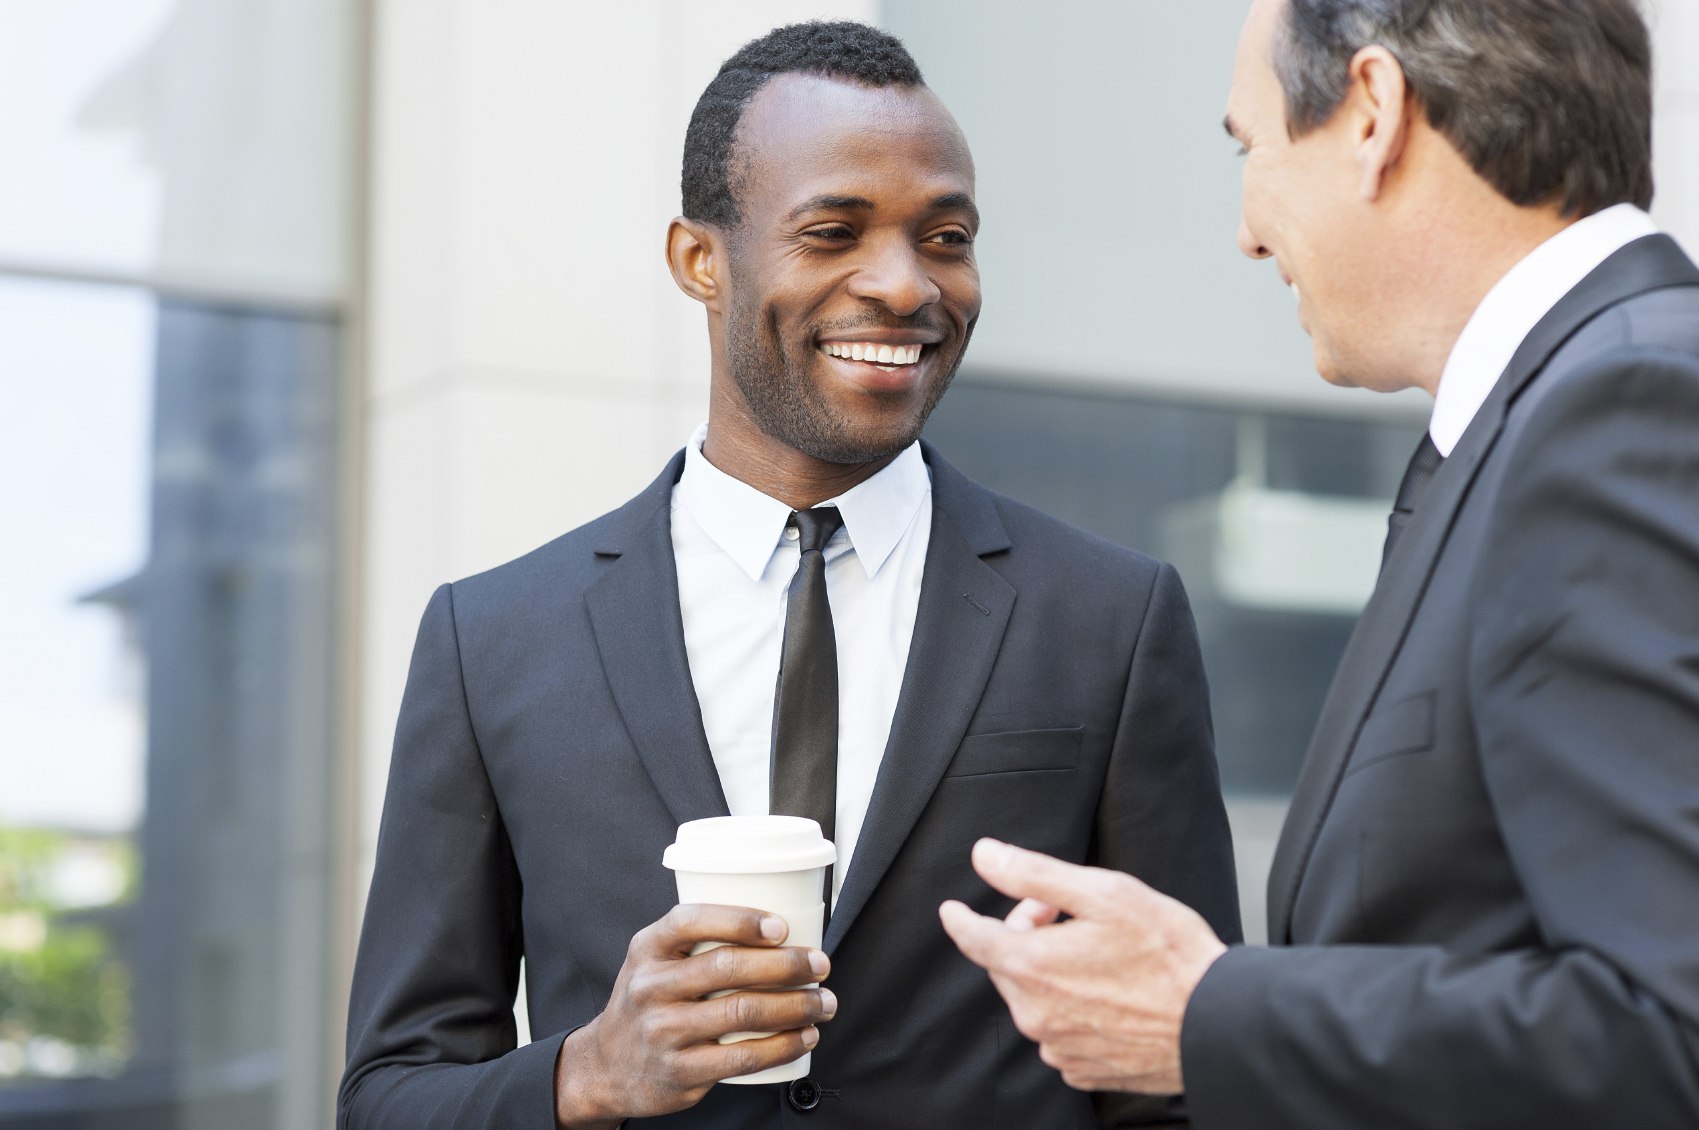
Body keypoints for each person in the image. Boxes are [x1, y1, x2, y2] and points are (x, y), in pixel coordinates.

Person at [339, 20, 1239, 1130]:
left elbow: (1186, 1067)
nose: (906, 285)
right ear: (698, 260)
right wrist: (588, 1072)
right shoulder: (494, 640)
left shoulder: (1109, 618)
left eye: (945, 235)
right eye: (833, 230)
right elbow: (390, 1093)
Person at [941, 0, 1699, 1126]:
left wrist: (1202, 1014)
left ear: (1373, 113)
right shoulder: (1555, 412)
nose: (1245, 231)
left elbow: (1666, 1030)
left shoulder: (1619, 409)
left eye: (1249, 147)